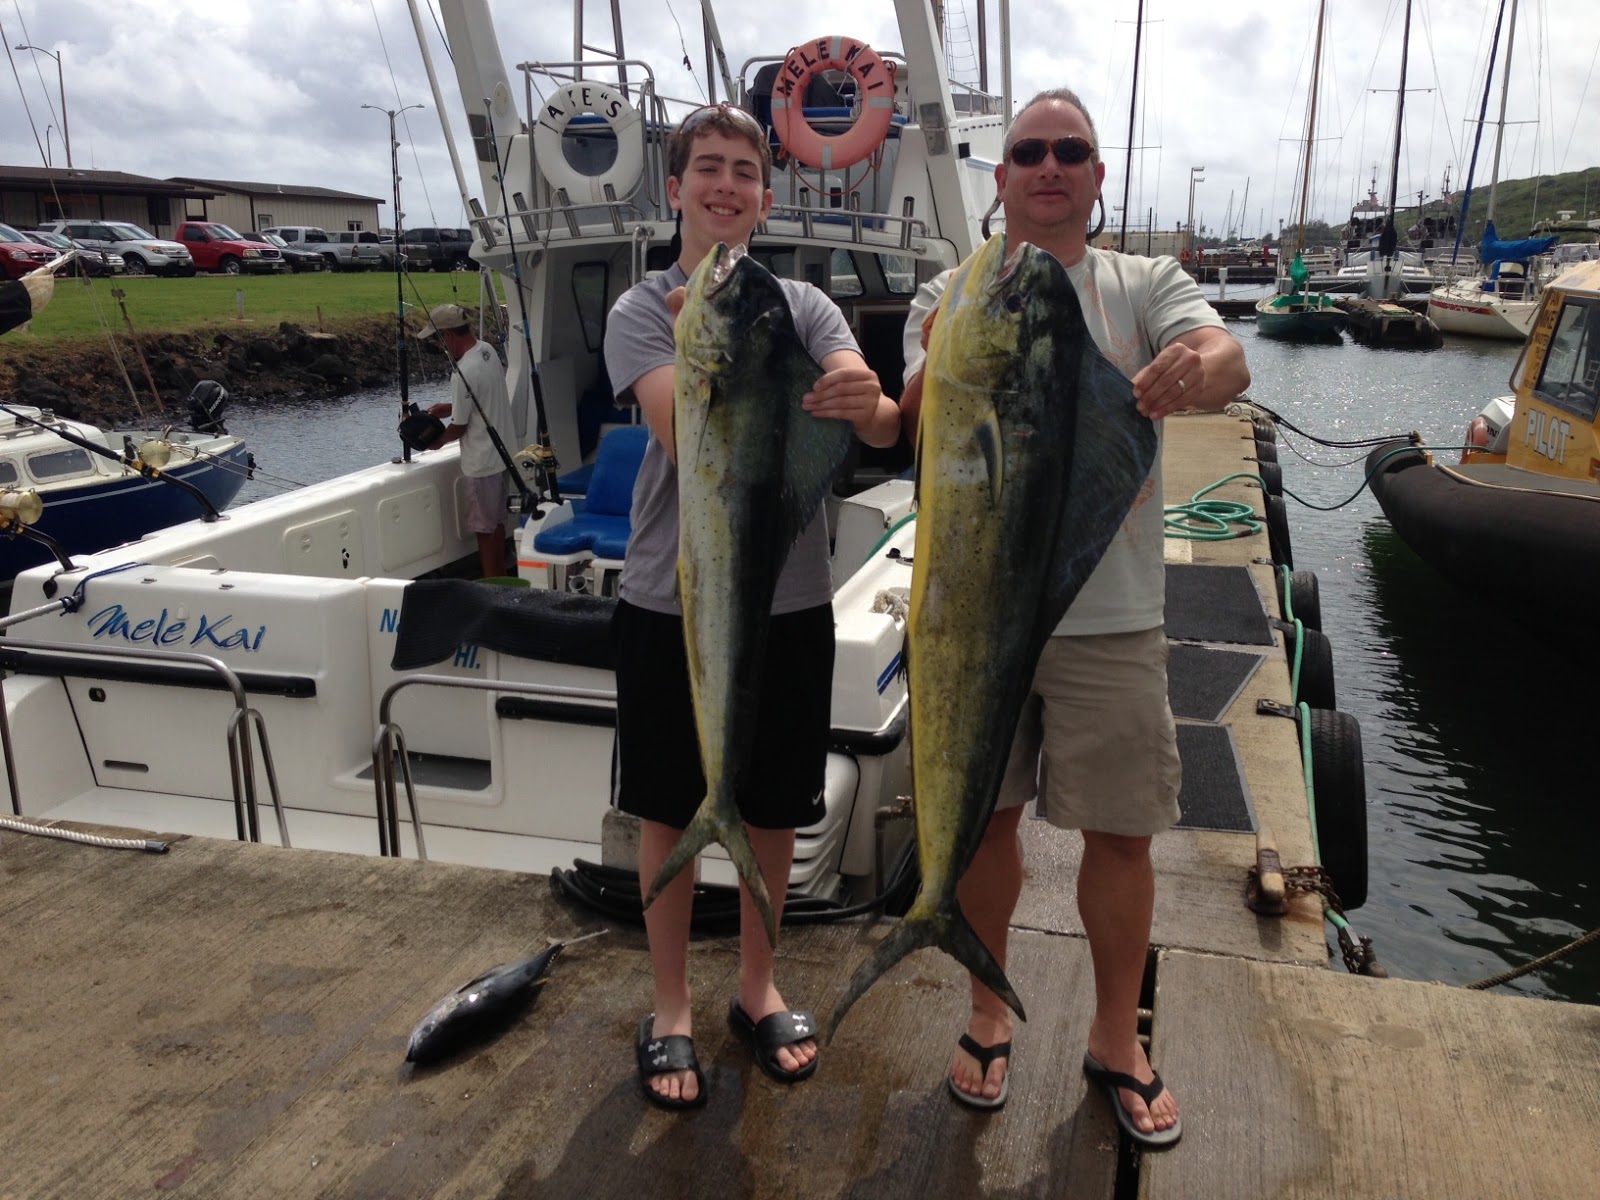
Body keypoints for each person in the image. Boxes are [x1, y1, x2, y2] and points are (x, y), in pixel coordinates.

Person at [900, 88, 1250, 1142]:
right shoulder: (952, 288)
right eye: (1028, 152)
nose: (1049, 165)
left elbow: (1228, 358)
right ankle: (984, 1011)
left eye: (1072, 152)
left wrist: (1203, 368)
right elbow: (916, 407)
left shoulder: (1143, 283)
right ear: (999, 177)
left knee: (1122, 832)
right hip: (971, 618)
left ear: (1098, 179)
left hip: (1111, 621)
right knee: (983, 822)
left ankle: (1113, 1036)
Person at [602, 103, 901, 1109]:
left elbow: (866, 398)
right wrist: (709, 336)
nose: (725, 185)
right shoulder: (642, 309)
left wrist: (861, 394)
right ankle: (672, 1006)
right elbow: (686, 432)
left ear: (764, 198)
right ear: (677, 188)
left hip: (791, 597)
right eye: (708, 170)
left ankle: (758, 987)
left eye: (743, 172)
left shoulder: (804, 305)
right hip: (668, 596)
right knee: (665, 804)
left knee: (770, 801)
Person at [416, 302, 517, 578]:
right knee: (497, 526)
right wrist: (448, 407)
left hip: (481, 464)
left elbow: (459, 427)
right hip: (501, 457)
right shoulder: (487, 352)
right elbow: (481, 398)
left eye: (438, 339)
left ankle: (492, 586)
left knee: (484, 533)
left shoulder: (461, 372)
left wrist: (435, 442)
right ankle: (502, 581)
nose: (440, 346)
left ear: (449, 335)